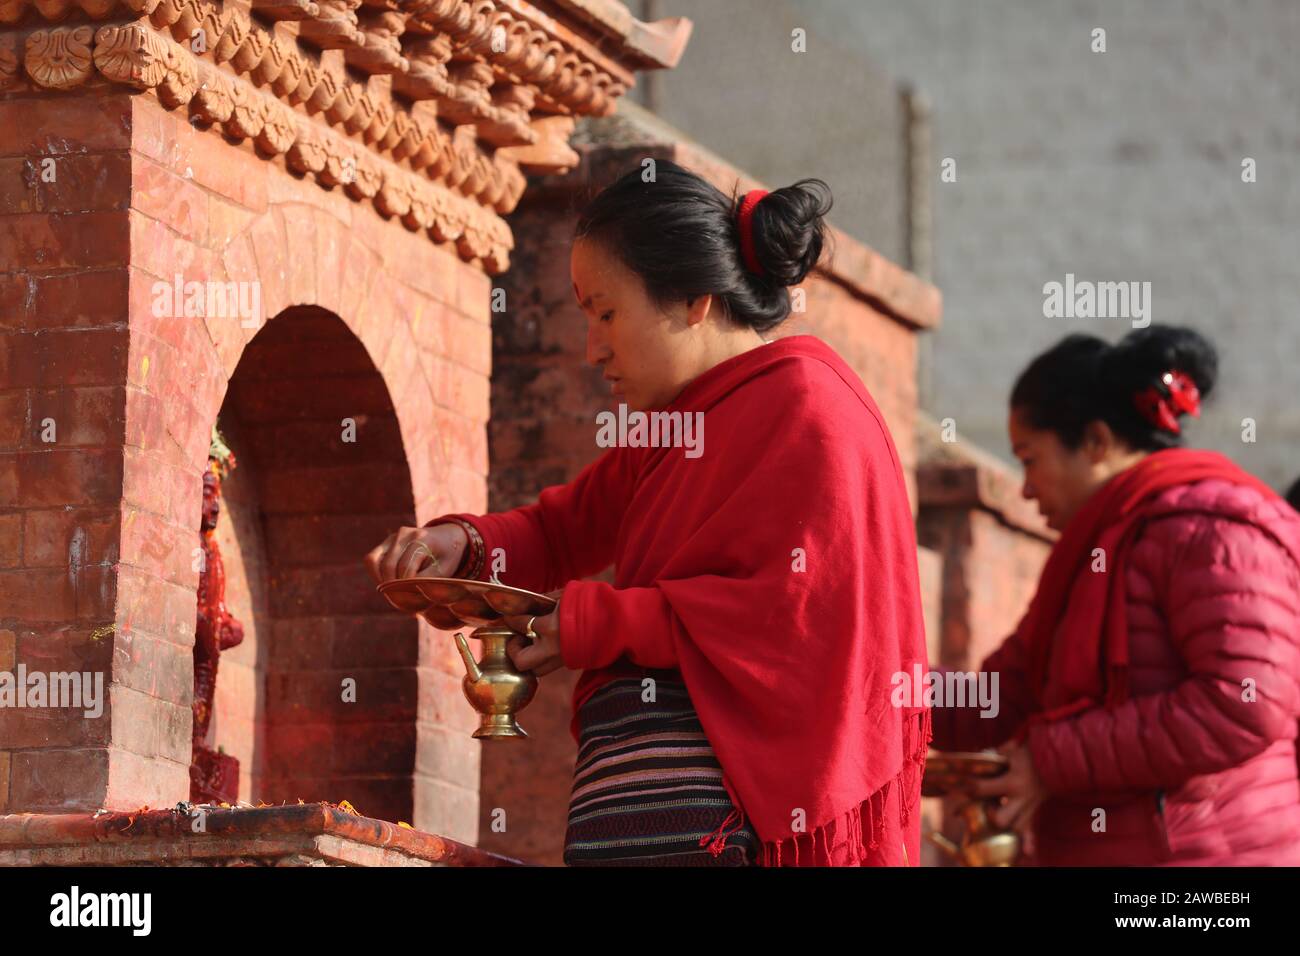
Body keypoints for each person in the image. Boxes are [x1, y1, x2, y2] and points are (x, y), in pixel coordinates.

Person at [366, 161, 930, 866]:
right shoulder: (678, 423)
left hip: (734, 822)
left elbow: (789, 619)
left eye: (606, 312)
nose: (592, 347)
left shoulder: (812, 410)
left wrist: (589, 622)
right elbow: (560, 528)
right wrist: (461, 545)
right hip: (631, 804)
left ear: (694, 299)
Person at [932, 325, 1300, 865]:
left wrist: (1049, 760)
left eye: (1029, 459)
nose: (1026, 489)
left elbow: (1245, 704)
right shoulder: (1089, 553)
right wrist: (878, 692)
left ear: (1097, 443)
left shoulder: (1210, 528)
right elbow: (1004, 696)